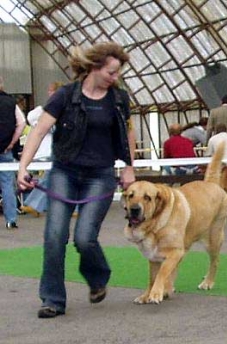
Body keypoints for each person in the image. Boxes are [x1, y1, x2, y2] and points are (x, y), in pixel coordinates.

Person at [17, 41, 136, 319]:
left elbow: (128, 133)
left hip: (101, 175)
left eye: (118, 73)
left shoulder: (119, 99)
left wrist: (129, 167)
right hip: (64, 172)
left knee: (84, 238)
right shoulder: (65, 96)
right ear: (95, 68)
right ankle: (53, 299)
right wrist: (24, 166)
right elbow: (38, 130)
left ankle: (97, 277)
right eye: (111, 72)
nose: (115, 78)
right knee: (55, 236)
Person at [21, 82, 63, 217]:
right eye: (49, 91)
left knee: (51, 178)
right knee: (51, 178)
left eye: (52, 91)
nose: (49, 93)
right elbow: (31, 119)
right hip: (50, 151)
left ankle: (34, 204)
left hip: (58, 150)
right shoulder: (44, 110)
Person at [0, 76, 26, 229]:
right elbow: (21, 123)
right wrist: (11, 143)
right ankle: (11, 219)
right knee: (7, 184)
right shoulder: (11, 102)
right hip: (5, 149)